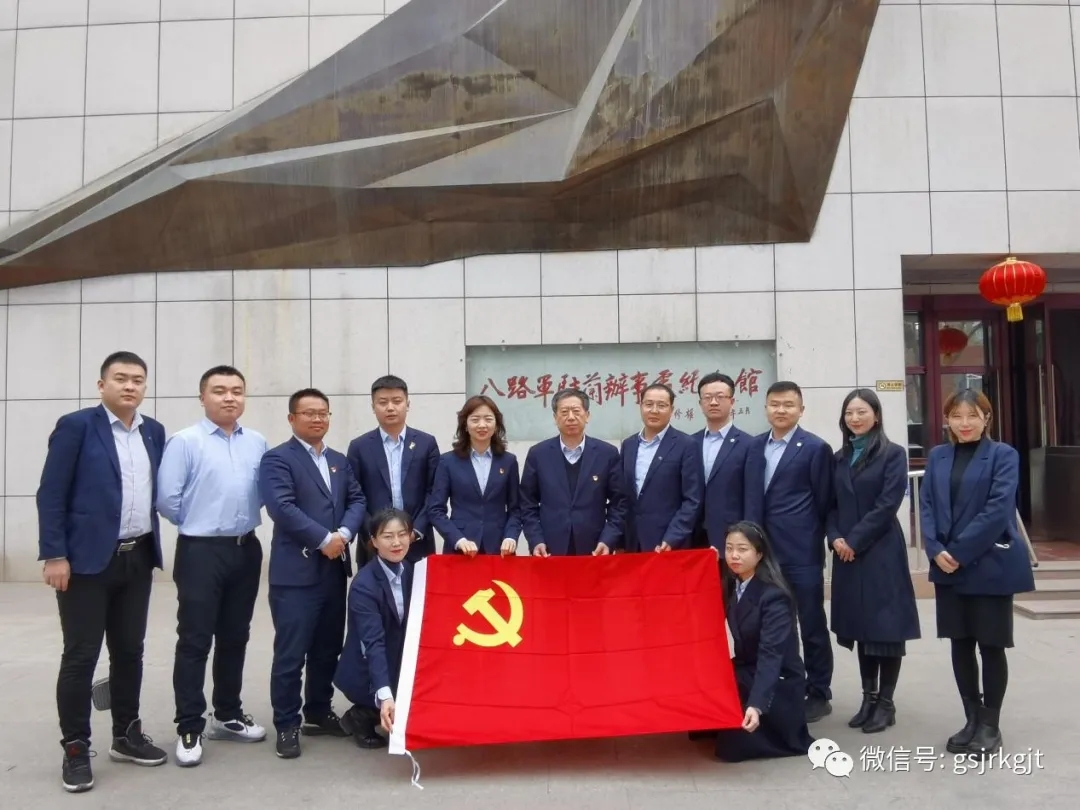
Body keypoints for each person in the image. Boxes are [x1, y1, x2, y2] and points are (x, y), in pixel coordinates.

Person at [36, 351, 168, 792]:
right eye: (120, 378)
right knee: (81, 655)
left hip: (137, 556)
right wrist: (54, 554)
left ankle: (126, 734)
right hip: (86, 563)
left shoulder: (153, 432)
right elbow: (51, 493)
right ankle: (75, 747)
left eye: (138, 380)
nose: (130, 386)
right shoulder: (76, 427)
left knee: (129, 651)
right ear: (101, 385)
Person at [157, 365, 270, 767]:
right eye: (219, 390)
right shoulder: (185, 442)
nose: (229, 397)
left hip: (246, 548)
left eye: (237, 390)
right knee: (195, 639)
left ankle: (227, 714)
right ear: (202, 397)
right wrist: (202, 521)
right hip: (201, 551)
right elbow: (167, 500)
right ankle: (189, 725)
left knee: (236, 636)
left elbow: (262, 493)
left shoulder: (257, 442)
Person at [920, 389, 1035, 758]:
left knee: (991, 645)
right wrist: (935, 549)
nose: (964, 423)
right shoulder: (938, 456)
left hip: (989, 564)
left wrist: (958, 552)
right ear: (947, 420)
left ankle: (990, 724)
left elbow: (998, 509)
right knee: (960, 644)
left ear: (987, 418)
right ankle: (971, 718)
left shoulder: (1003, 455)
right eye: (957, 416)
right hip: (946, 566)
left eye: (972, 415)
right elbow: (926, 506)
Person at [260, 389, 367, 758]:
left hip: (333, 570)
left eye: (323, 412)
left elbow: (357, 500)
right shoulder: (278, 459)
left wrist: (344, 535)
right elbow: (281, 507)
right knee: (291, 653)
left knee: (327, 648)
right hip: (295, 573)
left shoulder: (338, 460)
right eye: (308, 413)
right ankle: (286, 723)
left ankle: (318, 711)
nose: (317, 419)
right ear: (292, 418)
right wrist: (323, 539)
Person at [826, 389, 920, 733]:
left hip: (880, 550)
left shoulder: (893, 454)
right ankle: (868, 697)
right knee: (861, 627)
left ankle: (886, 703)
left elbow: (887, 503)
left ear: (876, 415)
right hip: (846, 554)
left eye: (862, 412)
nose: (855, 418)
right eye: (849, 412)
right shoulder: (838, 457)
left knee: (886, 628)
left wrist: (854, 540)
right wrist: (835, 536)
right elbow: (829, 504)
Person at [744, 380, 835, 722]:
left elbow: (824, 501)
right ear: (766, 408)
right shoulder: (754, 446)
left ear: (801, 409)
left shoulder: (815, 448)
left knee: (811, 623)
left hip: (801, 553)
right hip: (763, 553)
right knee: (775, 625)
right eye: (775, 404)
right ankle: (787, 687)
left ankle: (819, 691)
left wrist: (814, 539)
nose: (780, 410)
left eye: (788, 405)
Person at [714, 522, 815, 763]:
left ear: (759, 554)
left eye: (742, 549)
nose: (734, 555)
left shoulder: (774, 597)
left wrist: (757, 704)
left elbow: (772, 655)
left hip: (778, 678)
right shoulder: (734, 582)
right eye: (729, 548)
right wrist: (708, 560)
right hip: (747, 667)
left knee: (729, 751)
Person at [335, 508, 416, 749]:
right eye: (387, 536)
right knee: (390, 703)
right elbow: (373, 643)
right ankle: (359, 715)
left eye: (402, 534)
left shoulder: (410, 571)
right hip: (367, 667)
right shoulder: (364, 586)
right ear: (374, 541)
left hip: (396, 657)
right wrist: (385, 693)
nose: (396, 542)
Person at [520, 389, 625, 556]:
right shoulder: (538, 454)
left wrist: (608, 539)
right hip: (549, 549)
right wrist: (536, 540)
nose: (570, 417)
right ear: (555, 417)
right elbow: (527, 503)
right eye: (564, 412)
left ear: (587, 415)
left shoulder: (607, 454)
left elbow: (619, 503)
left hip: (595, 548)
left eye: (576, 411)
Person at [347, 375, 441, 562]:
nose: (390, 407)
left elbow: (434, 492)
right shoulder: (359, 447)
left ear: (407, 404)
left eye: (397, 401)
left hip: (418, 544)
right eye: (383, 402)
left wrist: (416, 531)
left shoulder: (426, 443)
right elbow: (354, 495)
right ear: (373, 406)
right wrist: (375, 534)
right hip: (374, 545)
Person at [428, 395, 521, 556]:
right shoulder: (447, 462)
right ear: (465, 424)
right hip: (460, 549)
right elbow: (436, 510)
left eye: (488, 419)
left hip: (500, 548)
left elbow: (516, 509)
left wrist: (511, 536)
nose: (482, 425)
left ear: (496, 424)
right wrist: (458, 540)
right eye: (475, 419)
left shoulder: (508, 461)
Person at [618, 383, 702, 553]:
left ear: (671, 410)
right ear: (641, 407)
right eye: (648, 404)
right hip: (632, 542)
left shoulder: (686, 445)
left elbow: (692, 499)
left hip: (668, 543)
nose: (654, 410)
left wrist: (673, 537)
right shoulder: (629, 445)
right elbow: (622, 496)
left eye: (662, 405)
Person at [692, 373, 751, 554]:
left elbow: (752, 497)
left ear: (732, 401)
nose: (713, 402)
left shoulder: (749, 444)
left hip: (731, 537)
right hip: (692, 537)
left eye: (720, 397)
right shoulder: (689, 443)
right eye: (707, 398)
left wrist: (748, 537)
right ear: (700, 403)